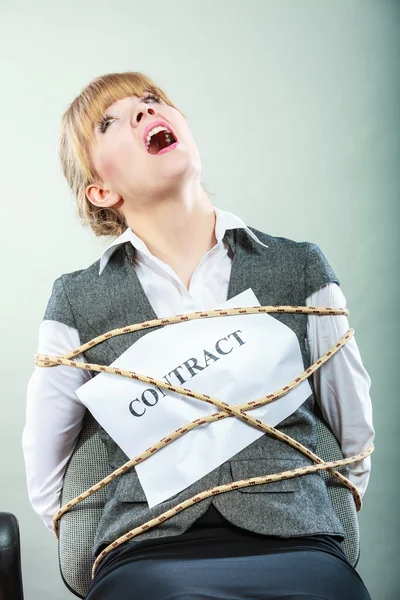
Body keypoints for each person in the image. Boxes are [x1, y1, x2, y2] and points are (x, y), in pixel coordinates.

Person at [22, 71, 375, 600]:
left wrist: (309, 513)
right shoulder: (76, 302)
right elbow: (50, 481)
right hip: (145, 551)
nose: (144, 112)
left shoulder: (298, 268)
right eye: (110, 121)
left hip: (299, 543)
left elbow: (352, 437)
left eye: (151, 101)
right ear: (100, 190)